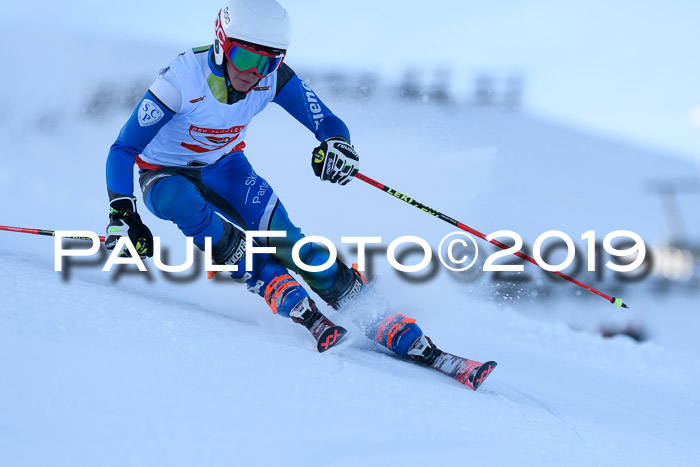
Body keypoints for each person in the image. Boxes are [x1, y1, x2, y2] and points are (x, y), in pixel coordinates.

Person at [104, 0, 439, 363]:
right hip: (163, 174)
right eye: (246, 58)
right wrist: (124, 213)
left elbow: (325, 120)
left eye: (269, 61)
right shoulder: (180, 81)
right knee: (181, 200)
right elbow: (123, 148)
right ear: (221, 42)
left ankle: (373, 310)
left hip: (225, 167)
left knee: (290, 242)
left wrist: (336, 144)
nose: (254, 73)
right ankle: (268, 279)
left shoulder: (272, 79)